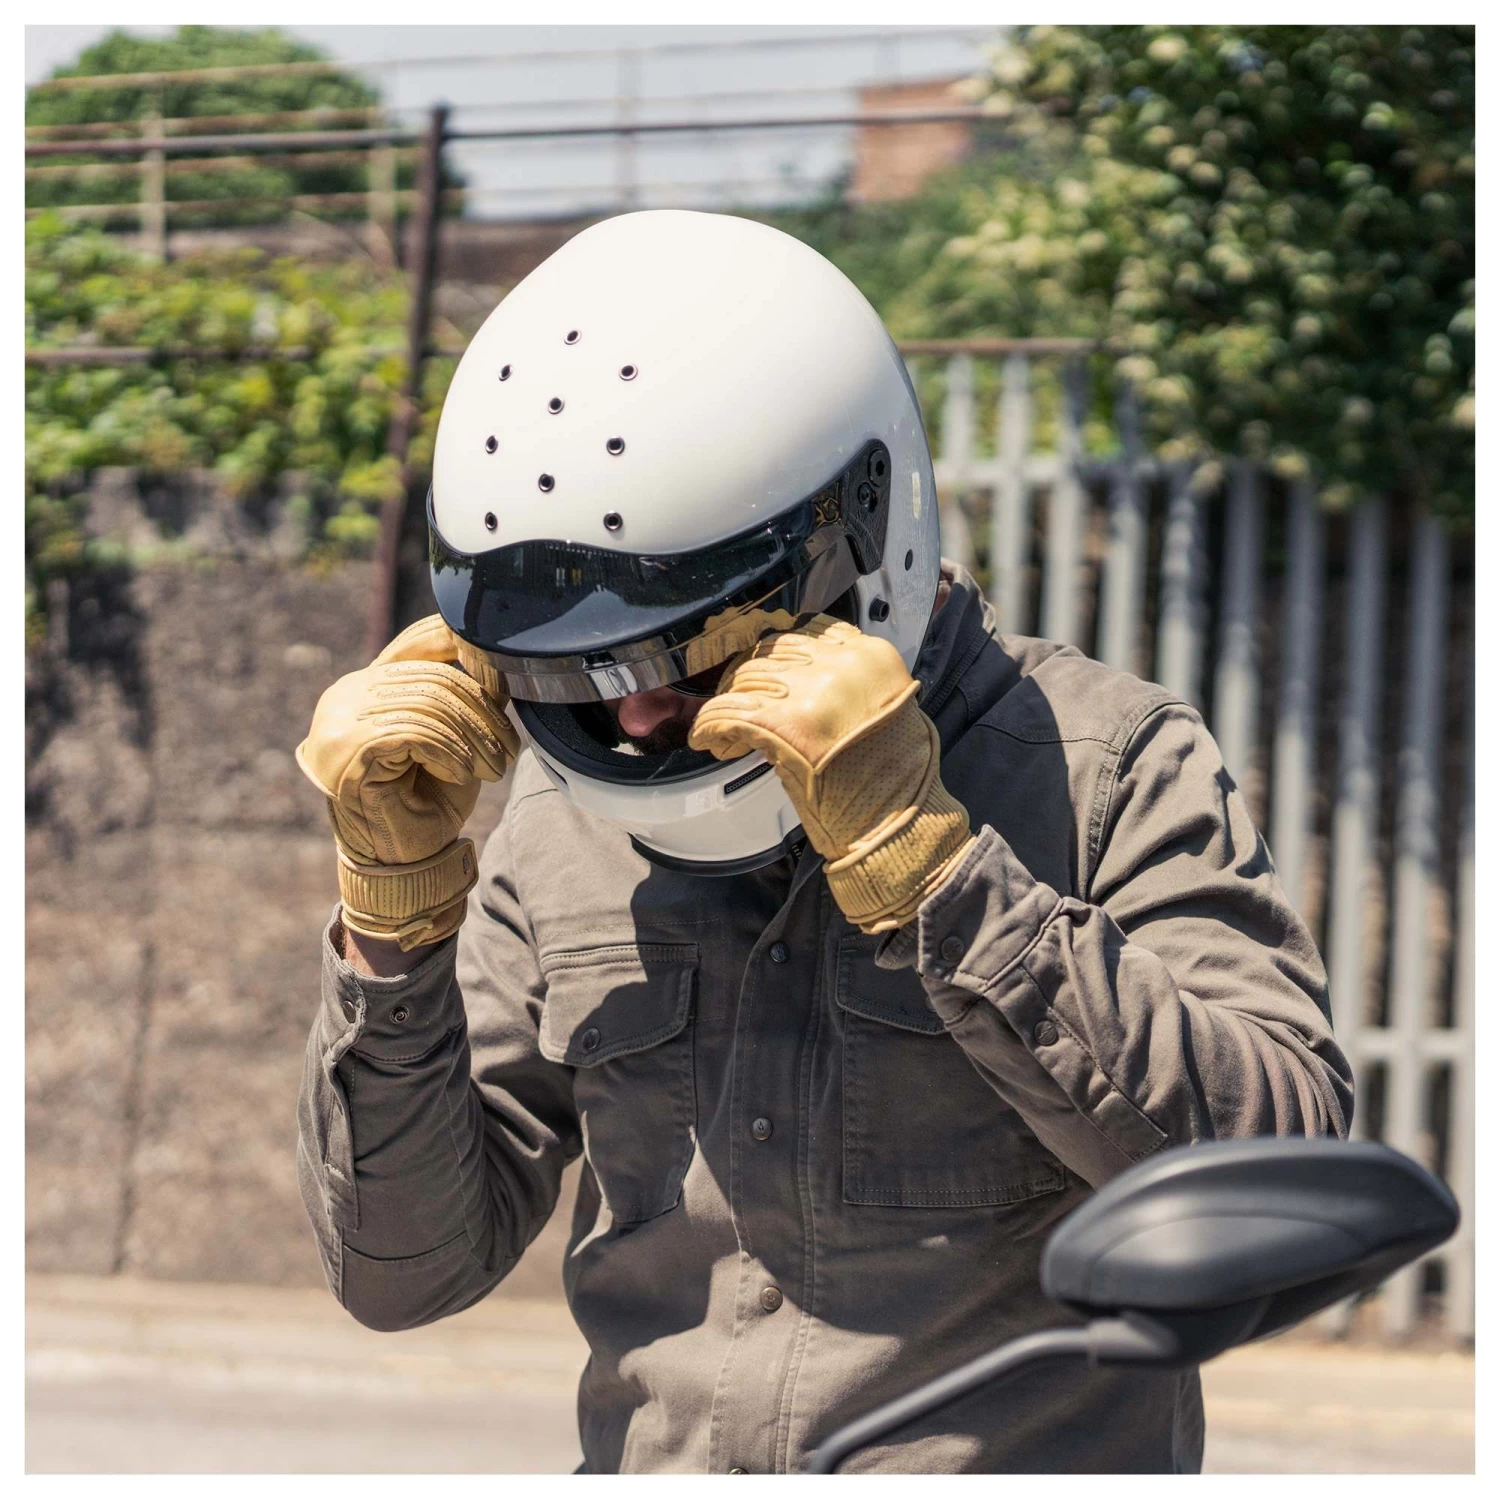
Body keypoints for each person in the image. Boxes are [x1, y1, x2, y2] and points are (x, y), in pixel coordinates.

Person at [294, 211, 1352, 1475]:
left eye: (683, 646)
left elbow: (1280, 1173)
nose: (634, 716)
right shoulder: (558, 815)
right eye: (574, 669)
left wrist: (945, 880)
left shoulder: (1106, 760)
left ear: (859, 540)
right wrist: (391, 931)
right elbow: (401, 1271)